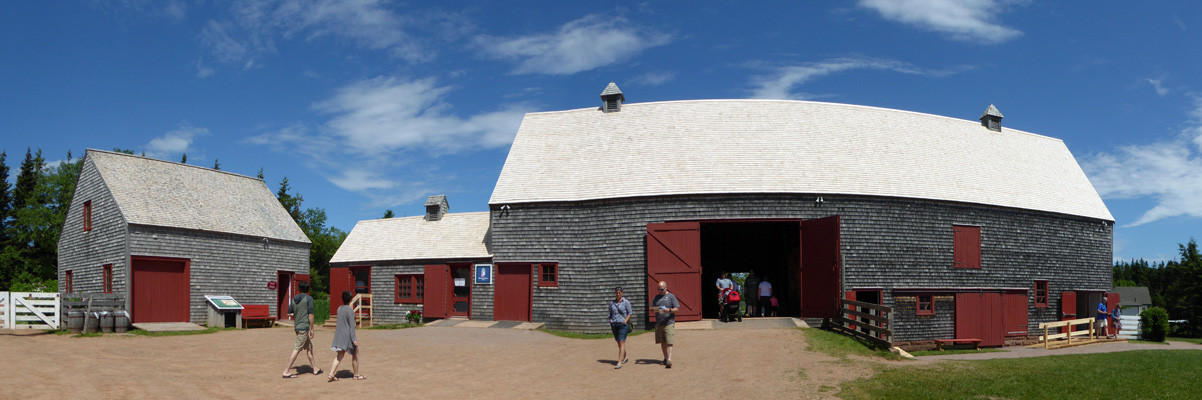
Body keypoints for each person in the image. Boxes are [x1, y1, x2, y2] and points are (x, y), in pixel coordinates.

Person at [281, 280, 320, 379]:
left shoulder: (294, 299)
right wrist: (312, 329)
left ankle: (315, 368)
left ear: (299, 289)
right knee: (297, 349)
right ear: (307, 289)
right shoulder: (309, 299)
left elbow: (289, 313)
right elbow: (310, 315)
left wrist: (297, 314)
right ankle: (286, 371)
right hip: (304, 328)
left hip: (297, 327)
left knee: (309, 347)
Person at [328, 291, 364, 382]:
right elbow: (352, 327)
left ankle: (331, 374)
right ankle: (356, 375)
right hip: (347, 336)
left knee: (339, 355)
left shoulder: (339, 308)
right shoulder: (350, 310)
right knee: (355, 353)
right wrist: (354, 339)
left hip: (339, 335)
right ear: (351, 299)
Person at [649, 281, 680, 368]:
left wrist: (669, 310)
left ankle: (669, 359)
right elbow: (651, 309)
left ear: (666, 288)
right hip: (659, 323)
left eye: (661, 289)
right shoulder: (656, 297)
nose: (660, 291)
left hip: (669, 322)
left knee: (669, 341)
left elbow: (677, 309)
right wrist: (655, 309)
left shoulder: (671, 296)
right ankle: (665, 358)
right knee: (662, 341)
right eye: (658, 289)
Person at [608, 287, 633, 369]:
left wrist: (626, 320)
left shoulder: (626, 302)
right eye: (616, 293)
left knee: (622, 342)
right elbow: (610, 313)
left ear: (622, 293)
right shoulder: (612, 303)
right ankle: (625, 357)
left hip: (623, 324)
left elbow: (630, 313)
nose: (618, 294)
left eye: (619, 292)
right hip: (614, 324)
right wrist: (610, 320)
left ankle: (619, 362)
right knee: (619, 342)